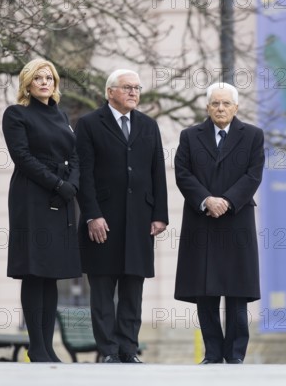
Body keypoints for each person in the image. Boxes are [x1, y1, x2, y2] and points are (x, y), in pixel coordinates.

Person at [75, 69, 168, 363]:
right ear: (110, 92)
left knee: (133, 288)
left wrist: (160, 215)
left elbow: (157, 172)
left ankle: (128, 348)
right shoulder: (89, 124)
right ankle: (108, 351)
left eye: (137, 88)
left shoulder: (148, 125)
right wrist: (92, 215)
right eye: (127, 87)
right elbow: (84, 174)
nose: (133, 93)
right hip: (103, 220)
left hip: (140, 220)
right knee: (102, 289)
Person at [174, 82, 264, 364]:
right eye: (215, 103)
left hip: (236, 221)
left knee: (237, 294)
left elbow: (253, 174)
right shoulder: (190, 136)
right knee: (206, 293)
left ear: (236, 107)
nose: (221, 108)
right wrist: (206, 200)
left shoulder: (252, 135)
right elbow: (182, 173)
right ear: (207, 107)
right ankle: (212, 353)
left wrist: (226, 200)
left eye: (226, 104)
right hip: (202, 221)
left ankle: (235, 354)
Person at [2, 58, 81, 362]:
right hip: (32, 198)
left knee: (52, 274)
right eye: (38, 78)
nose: (45, 82)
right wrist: (57, 184)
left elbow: (74, 156)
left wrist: (71, 184)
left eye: (49, 78)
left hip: (61, 198)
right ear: (28, 84)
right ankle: (36, 346)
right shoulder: (17, 114)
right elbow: (22, 157)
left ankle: (48, 347)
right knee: (35, 271)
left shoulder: (61, 115)